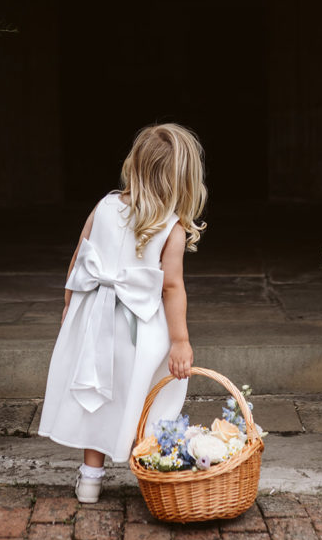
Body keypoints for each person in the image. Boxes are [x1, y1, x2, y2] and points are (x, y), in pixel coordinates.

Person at [38, 124, 207, 503]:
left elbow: (79, 260)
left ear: (134, 165)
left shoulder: (104, 205)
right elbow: (171, 287)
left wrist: (70, 305)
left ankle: (90, 480)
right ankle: (151, 475)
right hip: (139, 329)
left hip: (95, 320)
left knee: (99, 395)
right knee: (143, 395)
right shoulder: (172, 228)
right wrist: (180, 341)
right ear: (182, 179)